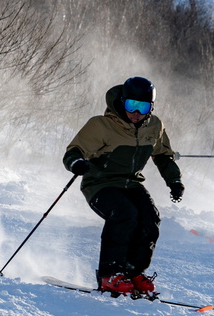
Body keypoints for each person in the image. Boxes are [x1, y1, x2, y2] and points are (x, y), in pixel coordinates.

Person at [63, 76, 184, 295]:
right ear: (122, 101)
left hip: (131, 183)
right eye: (131, 105)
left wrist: (174, 181)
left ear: (151, 107)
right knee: (124, 214)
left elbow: (164, 155)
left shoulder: (155, 126)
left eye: (143, 107)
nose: (136, 113)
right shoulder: (101, 125)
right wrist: (77, 163)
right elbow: (74, 151)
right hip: (99, 183)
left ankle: (132, 271)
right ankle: (109, 274)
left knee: (150, 217)